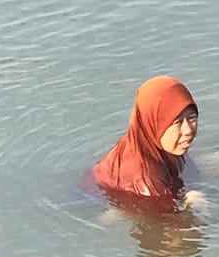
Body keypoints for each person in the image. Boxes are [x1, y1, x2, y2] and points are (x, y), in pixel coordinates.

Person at [84, 75, 199, 211]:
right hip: (93, 202)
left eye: (191, 118)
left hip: (107, 185)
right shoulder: (146, 182)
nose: (188, 130)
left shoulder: (147, 138)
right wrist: (190, 206)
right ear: (154, 122)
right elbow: (170, 227)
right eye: (177, 122)